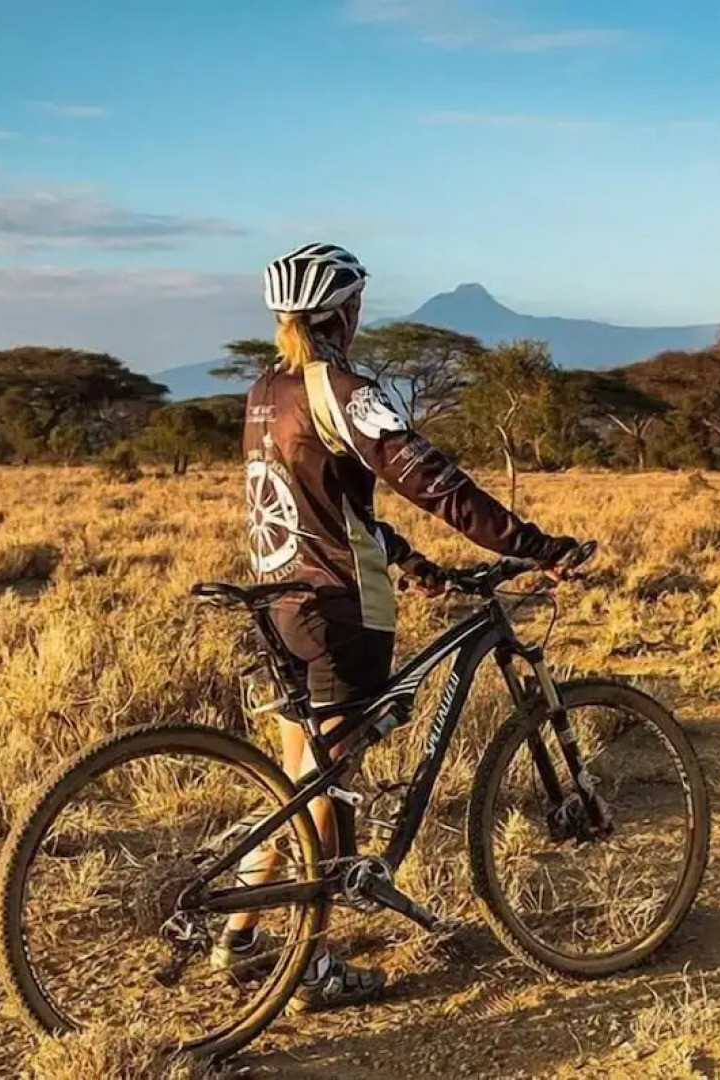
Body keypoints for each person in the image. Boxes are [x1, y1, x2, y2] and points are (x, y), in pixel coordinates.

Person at [213, 242, 578, 1010]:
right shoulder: (343, 390)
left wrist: (412, 562)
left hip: (280, 602)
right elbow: (433, 482)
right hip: (340, 610)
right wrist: (533, 544)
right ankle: (315, 964)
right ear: (344, 311)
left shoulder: (266, 389)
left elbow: (328, 505)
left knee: (299, 782)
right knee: (330, 790)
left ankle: (240, 935)